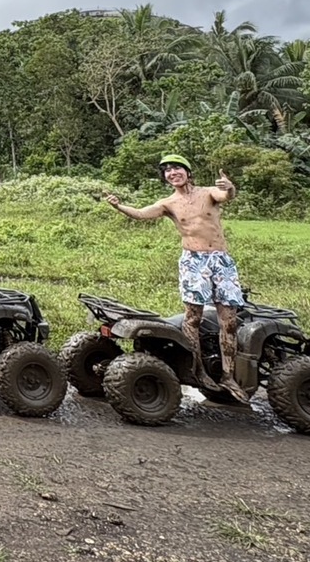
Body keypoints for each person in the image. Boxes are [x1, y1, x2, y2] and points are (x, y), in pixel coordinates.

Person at [106, 153, 249, 403]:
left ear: (188, 172)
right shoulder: (169, 203)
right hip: (193, 261)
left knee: (229, 320)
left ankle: (228, 375)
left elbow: (226, 196)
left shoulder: (207, 193)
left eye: (177, 168)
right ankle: (197, 370)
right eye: (168, 170)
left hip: (220, 260)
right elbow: (140, 213)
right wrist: (119, 206)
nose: (173, 173)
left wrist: (230, 187)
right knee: (193, 317)